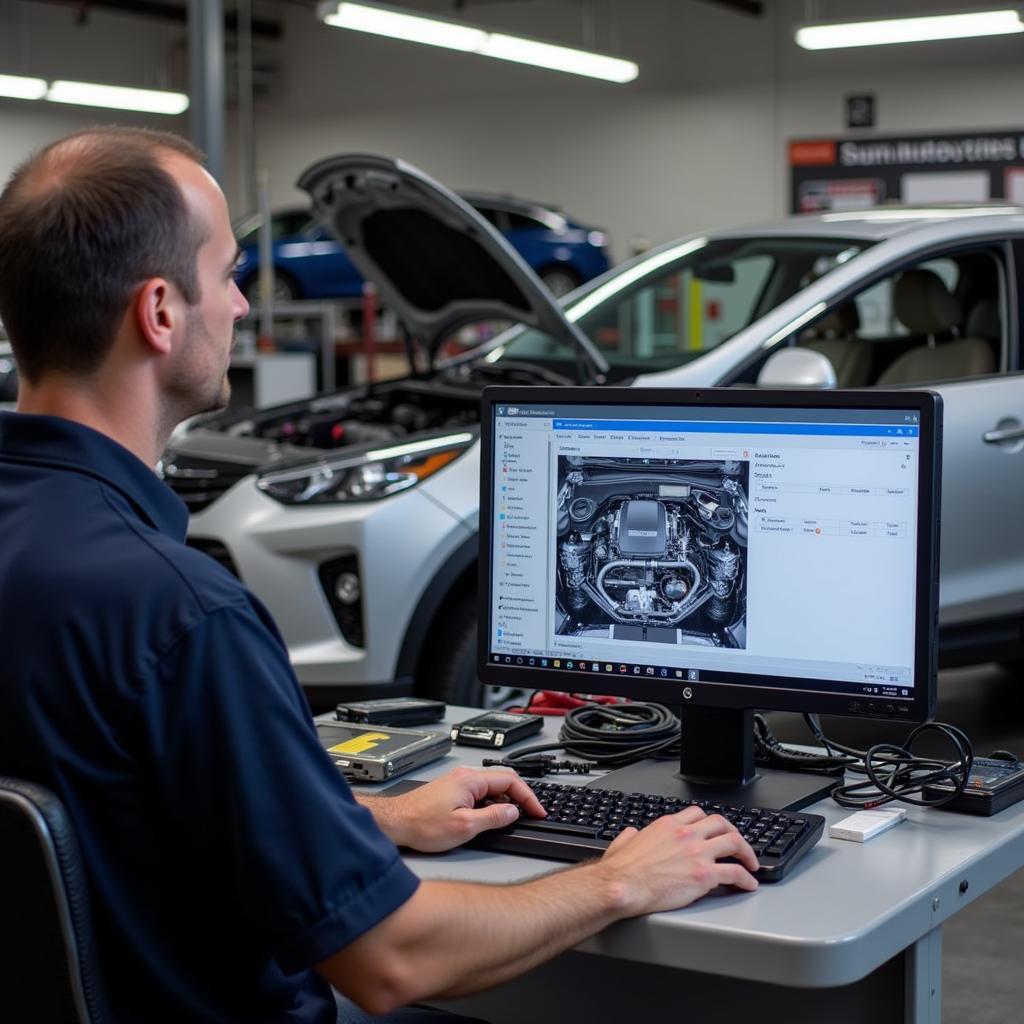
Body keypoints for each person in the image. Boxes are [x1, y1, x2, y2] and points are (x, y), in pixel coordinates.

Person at [0, 127, 759, 1024]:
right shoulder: (182, 615)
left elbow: (124, 805)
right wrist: (619, 880)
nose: (244, 307)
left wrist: (370, 817)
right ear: (161, 312)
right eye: (230, 274)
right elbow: (392, 959)